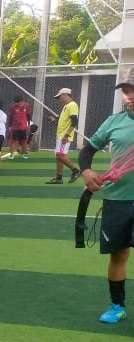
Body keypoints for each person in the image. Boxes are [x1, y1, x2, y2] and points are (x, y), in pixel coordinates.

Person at [78, 66, 134, 323]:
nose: (129, 95)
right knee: (119, 254)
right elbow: (87, 150)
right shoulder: (114, 122)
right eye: (126, 90)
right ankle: (117, 306)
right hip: (117, 199)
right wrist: (86, 170)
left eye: (133, 90)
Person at [46, 87, 81, 184]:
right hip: (61, 135)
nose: (59, 99)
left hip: (64, 136)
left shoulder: (72, 105)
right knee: (59, 156)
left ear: (65, 95)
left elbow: (74, 122)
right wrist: (55, 119)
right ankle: (59, 178)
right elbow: (65, 121)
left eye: (60, 97)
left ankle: (75, 171)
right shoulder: (67, 106)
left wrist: (67, 135)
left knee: (60, 155)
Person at [7, 94, 32, 159]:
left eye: (18, 102)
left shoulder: (27, 106)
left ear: (21, 101)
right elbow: (10, 117)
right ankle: (11, 155)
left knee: (24, 141)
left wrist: (28, 125)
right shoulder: (13, 107)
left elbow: (28, 116)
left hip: (23, 127)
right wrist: (9, 126)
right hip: (15, 127)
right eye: (16, 102)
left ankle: (24, 154)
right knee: (13, 141)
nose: (17, 104)